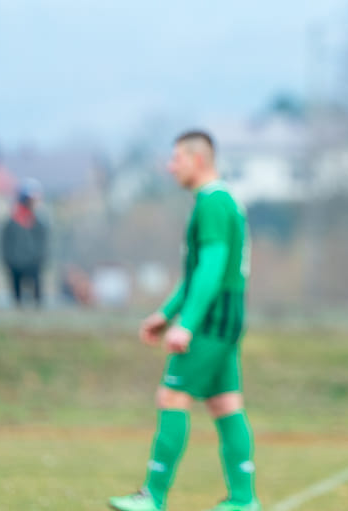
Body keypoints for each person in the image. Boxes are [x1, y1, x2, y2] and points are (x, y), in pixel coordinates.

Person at [109, 130, 259, 511]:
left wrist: (187, 324)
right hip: (226, 316)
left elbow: (210, 268)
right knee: (225, 403)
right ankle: (243, 499)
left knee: (172, 395)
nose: (170, 166)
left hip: (211, 320)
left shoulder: (212, 203)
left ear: (197, 160)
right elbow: (195, 273)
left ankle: (153, 496)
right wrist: (165, 314)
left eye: (176, 158)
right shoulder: (221, 201)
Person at [0, 180, 48, 307]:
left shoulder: (38, 222)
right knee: (17, 294)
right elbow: (6, 243)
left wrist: (39, 258)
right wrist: (9, 260)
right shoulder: (12, 222)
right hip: (16, 263)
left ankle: (38, 308)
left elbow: (42, 243)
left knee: (37, 291)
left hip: (33, 263)